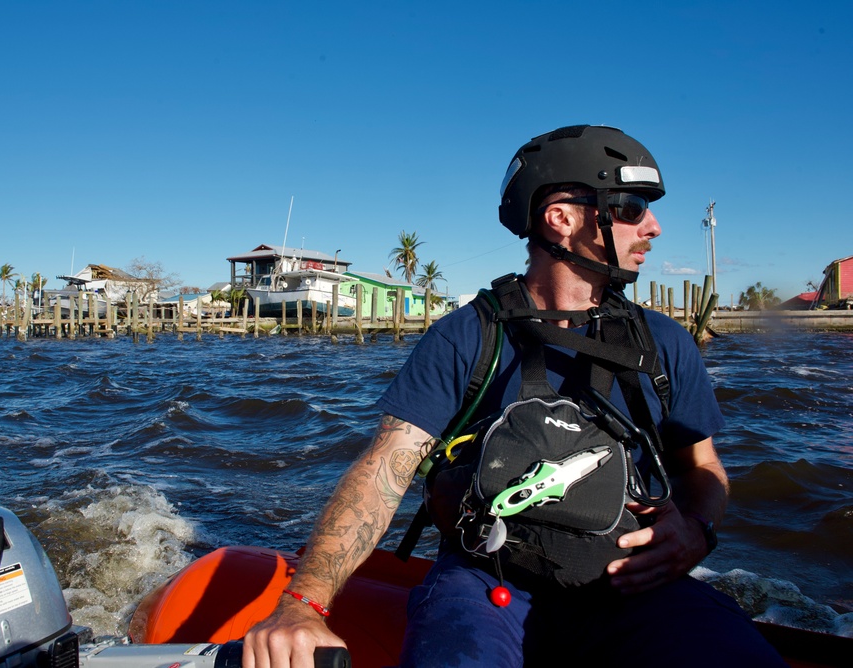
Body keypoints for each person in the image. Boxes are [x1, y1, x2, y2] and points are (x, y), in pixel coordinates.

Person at [244, 125, 785, 667]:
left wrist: (698, 532)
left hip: (630, 582)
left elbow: (702, 466)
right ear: (562, 217)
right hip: (488, 584)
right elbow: (385, 467)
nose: (654, 226)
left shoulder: (665, 343)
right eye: (631, 206)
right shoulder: (466, 335)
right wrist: (303, 602)